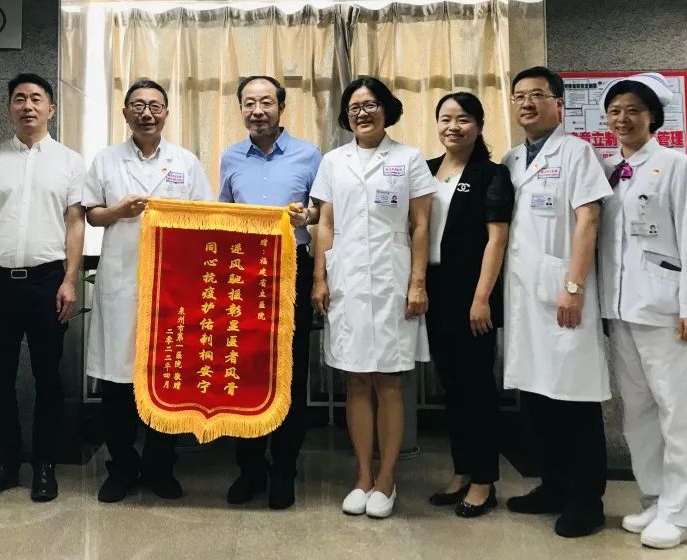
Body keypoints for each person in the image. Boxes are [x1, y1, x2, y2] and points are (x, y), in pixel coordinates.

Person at [597, 73, 687, 549]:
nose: (622, 119)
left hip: (669, 311)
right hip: (623, 309)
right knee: (638, 411)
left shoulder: (676, 166)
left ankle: (681, 514)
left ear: (653, 118)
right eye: (615, 111)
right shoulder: (610, 169)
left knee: (678, 413)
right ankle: (655, 498)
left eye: (633, 110)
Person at [83, 78, 212, 503]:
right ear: (125, 113)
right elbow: (92, 215)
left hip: (171, 286)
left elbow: (204, 217)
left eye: (155, 106)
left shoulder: (185, 162)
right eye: (137, 105)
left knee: (165, 376)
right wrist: (118, 211)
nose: (146, 113)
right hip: (121, 283)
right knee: (117, 384)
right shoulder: (106, 160)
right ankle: (121, 468)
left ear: (166, 113)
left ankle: (160, 467)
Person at [310, 76, 434, 520]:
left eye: (371, 104)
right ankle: (362, 476)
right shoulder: (333, 161)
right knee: (356, 379)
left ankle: (387, 478)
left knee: (389, 381)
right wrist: (320, 278)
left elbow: (421, 225)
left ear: (387, 109)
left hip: (392, 278)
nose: (362, 113)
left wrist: (417, 282)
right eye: (354, 107)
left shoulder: (409, 158)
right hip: (345, 279)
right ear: (346, 116)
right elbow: (325, 224)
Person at [0, 73, 86, 503]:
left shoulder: (70, 162)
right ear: (9, 108)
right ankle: (3, 464)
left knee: (48, 378)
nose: (28, 106)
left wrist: (70, 279)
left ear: (51, 108)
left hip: (48, 281)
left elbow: (75, 223)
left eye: (36, 98)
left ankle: (45, 465)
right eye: (19, 99)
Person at [501, 66, 612, 538]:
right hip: (524, 296)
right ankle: (552, 486)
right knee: (536, 396)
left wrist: (574, 285)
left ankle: (587, 501)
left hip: (564, 293)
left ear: (558, 104)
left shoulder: (577, 152)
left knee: (574, 398)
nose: (527, 103)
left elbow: (589, 220)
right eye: (519, 96)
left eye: (537, 95)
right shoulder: (511, 159)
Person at [217, 75, 322, 510]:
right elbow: (221, 216)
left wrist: (307, 216)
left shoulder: (309, 155)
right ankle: (250, 469)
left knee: (290, 372)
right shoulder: (230, 158)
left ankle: (284, 470)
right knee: (244, 370)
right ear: (241, 109)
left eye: (265, 102)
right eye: (249, 103)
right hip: (242, 273)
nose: (257, 110)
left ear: (281, 107)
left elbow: (324, 213)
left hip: (292, 268)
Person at [424, 92, 513, 518]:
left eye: (462, 119)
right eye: (445, 119)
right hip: (433, 290)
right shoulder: (426, 170)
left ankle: (484, 480)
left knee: (476, 386)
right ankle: (462, 470)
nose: (452, 127)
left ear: (478, 125)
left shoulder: (491, 174)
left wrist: (482, 299)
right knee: (451, 385)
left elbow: (497, 240)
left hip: (472, 292)